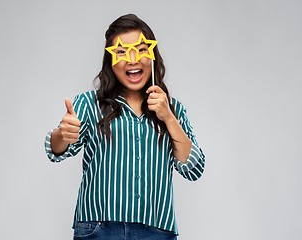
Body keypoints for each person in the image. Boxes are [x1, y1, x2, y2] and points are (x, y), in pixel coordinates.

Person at [44, 13, 205, 240]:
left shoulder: (173, 110)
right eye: (121, 52)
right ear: (110, 60)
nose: (132, 59)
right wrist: (62, 133)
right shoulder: (90, 104)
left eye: (140, 49)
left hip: (157, 230)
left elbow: (194, 168)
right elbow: (55, 150)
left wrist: (168, 117)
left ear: (152, 55)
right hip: (98, 227)